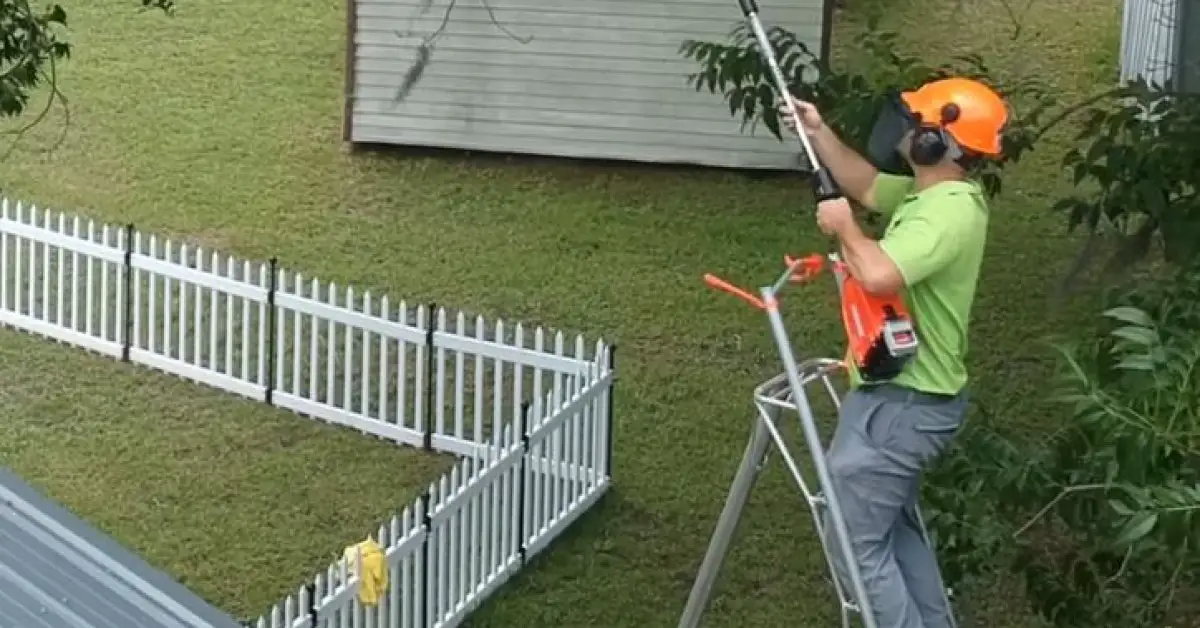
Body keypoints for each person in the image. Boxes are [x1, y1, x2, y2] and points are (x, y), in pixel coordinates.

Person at [778, 78, 1009, 628]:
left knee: (855, 545)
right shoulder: (929, 195)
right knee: (892, 534)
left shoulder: (947, 212)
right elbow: (863, 183)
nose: (904, 129)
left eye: (916, 122)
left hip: (904, 406)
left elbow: (879, 275)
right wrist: (819, 132)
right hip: (902, 399)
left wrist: (845, 230)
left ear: (939, 143)